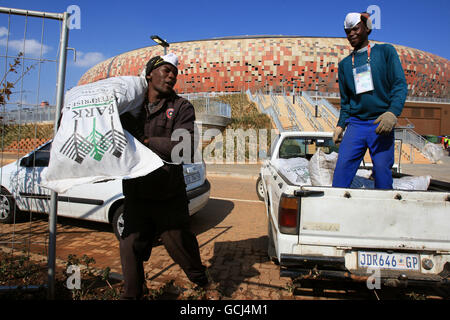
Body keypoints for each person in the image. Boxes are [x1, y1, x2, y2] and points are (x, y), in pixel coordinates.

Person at [118, 53, 213, 299]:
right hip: (137, 193)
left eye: (175, 73)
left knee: (179, 244)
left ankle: (201, 281)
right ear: (150, 73)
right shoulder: (130, 108)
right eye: (166, 70)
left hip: (168, 194)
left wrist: (147, 140)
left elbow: (186, 146)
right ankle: (133, 294)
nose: (171, 76)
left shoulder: (181, 107)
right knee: (130, 245)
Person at [332, 12, 408, 189]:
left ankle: (385, 211)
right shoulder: (344, 65)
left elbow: (399, 84)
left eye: (355, 29)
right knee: (342, 169)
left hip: (381, 123)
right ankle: (336, 211)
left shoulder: (385, 52)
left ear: (367, 28)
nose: (351, 34)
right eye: (347, 31)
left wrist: (392, 112)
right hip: (356, 125)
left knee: (382, 171)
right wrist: (340, 125)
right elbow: (346, 101)